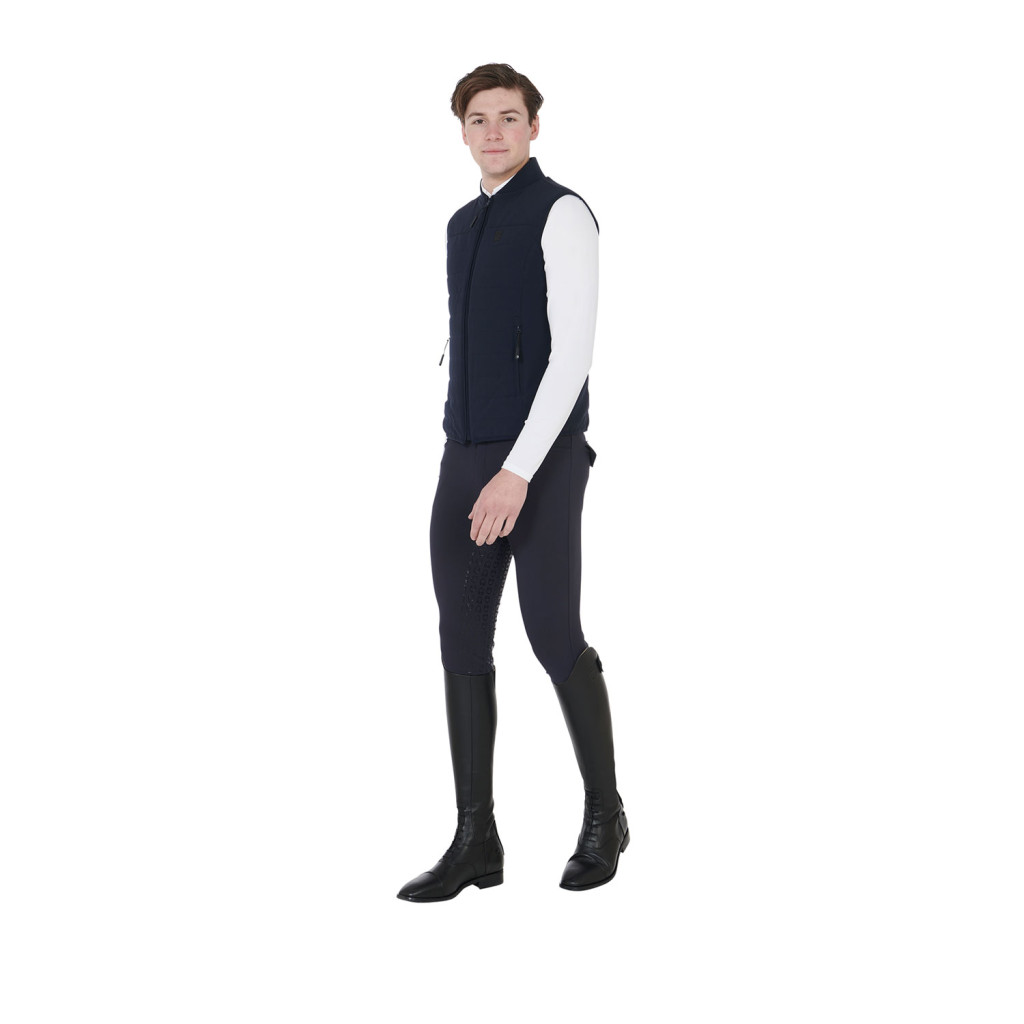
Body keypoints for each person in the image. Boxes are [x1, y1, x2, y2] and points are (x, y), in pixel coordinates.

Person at [397, 63, 628, 902]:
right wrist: (469, 453)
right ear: (461, 132)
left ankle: (605, 816)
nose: (493, 132)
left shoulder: (562, 213)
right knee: (459, 639)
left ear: (535, 126)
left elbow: (572, 355)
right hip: (463, 452)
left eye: (508, 117)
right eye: (478, 119)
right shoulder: (463, 224)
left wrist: (517, 470)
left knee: (551, 633)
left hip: (542, 456)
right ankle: (476, 840)